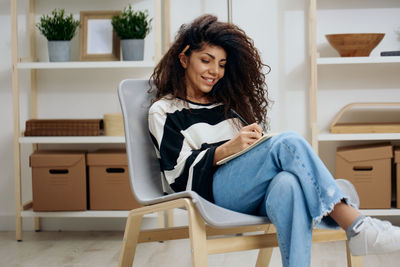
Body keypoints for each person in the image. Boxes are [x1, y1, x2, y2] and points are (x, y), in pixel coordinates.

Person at [147, 14, 400, 266]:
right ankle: (355, 224)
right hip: (211, 194)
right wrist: (225, 150)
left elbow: (253, 158)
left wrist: (253, 145)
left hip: (251, 191)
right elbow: (178, 178)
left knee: (288, 183)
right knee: (287, 141)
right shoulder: (164, 111)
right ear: (183, 58)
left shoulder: (227, 106)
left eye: (222, 64)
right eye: (206, 60)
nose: (215, 71)